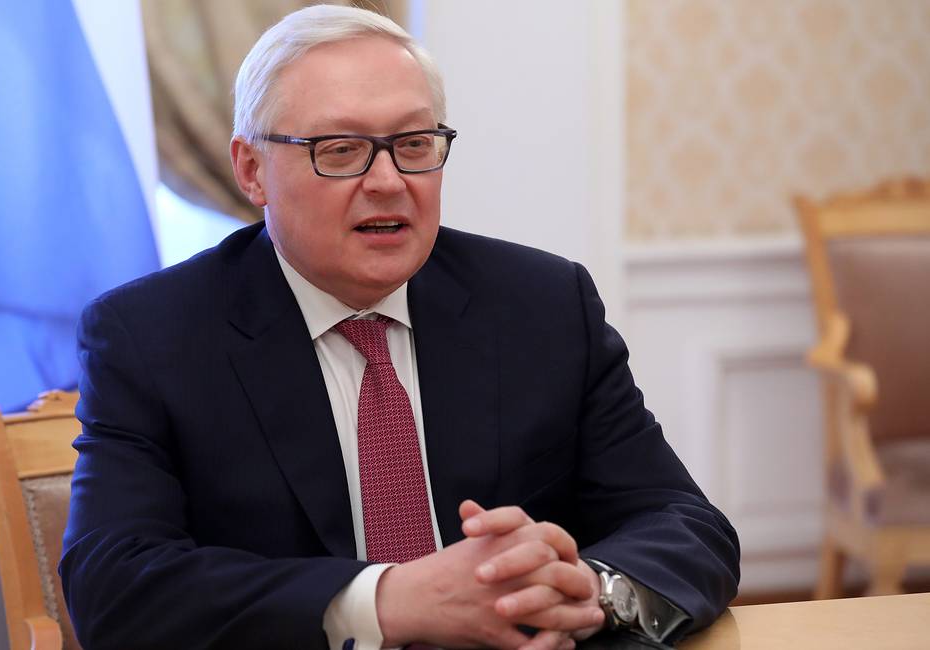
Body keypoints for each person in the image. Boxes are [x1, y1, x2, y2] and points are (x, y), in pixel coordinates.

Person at [60, 5, 739, 650]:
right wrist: (384, 599)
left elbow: (685, 524)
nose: (388, 181)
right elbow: (114, 587)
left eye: (413, 144)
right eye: (340, 149)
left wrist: (590, 590)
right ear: (251, 169)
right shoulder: (151, 337)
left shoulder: (543, 305)